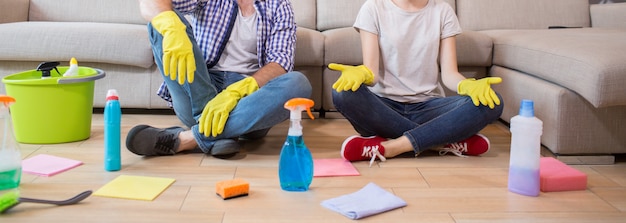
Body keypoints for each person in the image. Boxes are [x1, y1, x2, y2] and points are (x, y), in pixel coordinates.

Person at [126, 0, 312, 157]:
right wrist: (170, 25)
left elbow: (280, 63)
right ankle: (219, 130)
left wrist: (237, 92)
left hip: (248, 99)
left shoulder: (279, 5)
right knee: (160, 21)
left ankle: (187, 139)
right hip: (200, 90)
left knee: (299, 83)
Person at [329, 0, 504, 166]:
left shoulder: (443, 11)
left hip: (428, 107)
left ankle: (392, 147)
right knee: (343, 93)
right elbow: (372, 73)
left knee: (492, 102)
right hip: (384, 109)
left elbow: (450, 73)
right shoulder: (373, 7)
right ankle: (440, 140)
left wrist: (467, 85)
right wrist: (362, 73)